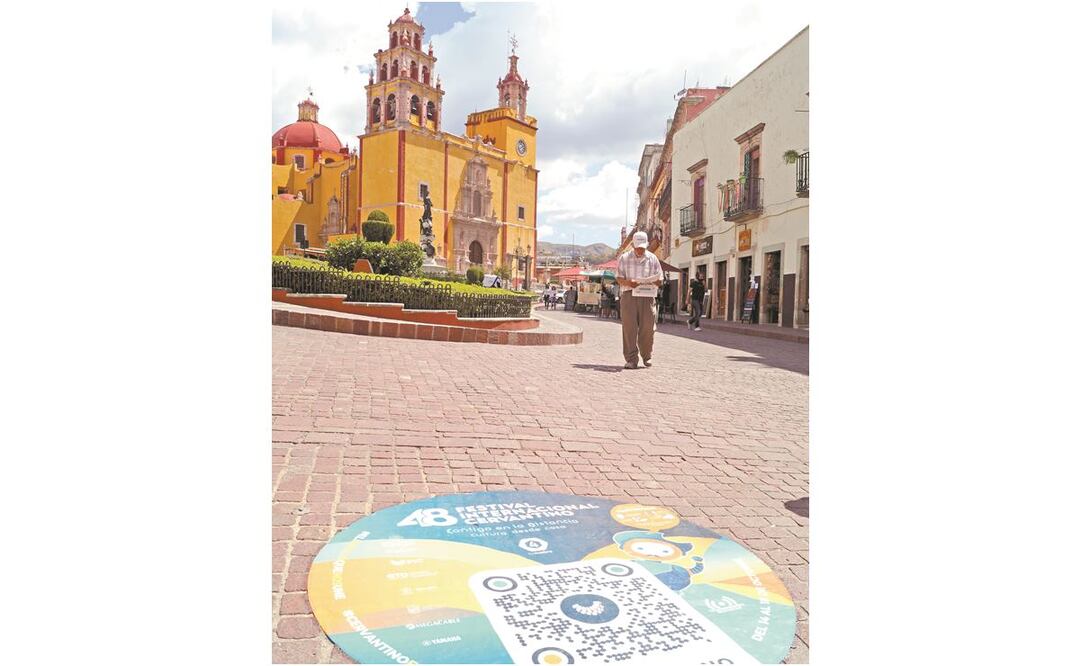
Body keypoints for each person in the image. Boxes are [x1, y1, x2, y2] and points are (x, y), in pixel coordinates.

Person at [615, 231, 663, 369]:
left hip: (648, 296)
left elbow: (660, 279)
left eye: (643, 247)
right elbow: (618, 277)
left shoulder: (653, 258)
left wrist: (657, 281)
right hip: (629, 295)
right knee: (629, 328)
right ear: (633, 245)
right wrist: (629, 283)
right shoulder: (624, 258)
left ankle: (647, 355)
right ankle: (631, 359)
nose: (640, 250)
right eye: (638, 247)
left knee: (648, 327)